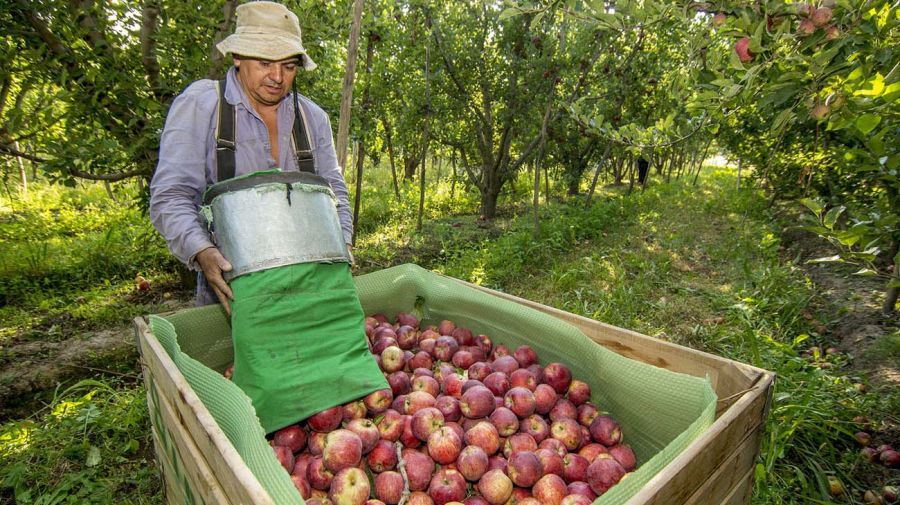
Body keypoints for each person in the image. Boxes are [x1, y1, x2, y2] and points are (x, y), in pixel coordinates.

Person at [149, 1, 352, 313]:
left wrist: (343, 244)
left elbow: (333, 192)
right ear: (239, 57)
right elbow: (171, 195)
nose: (277, 77)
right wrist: (202, 250)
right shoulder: (202, 106)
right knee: (238, 359)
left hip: (311, 284)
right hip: (234, 284)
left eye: (288, 66)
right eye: (265, 63)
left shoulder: (312, 118)